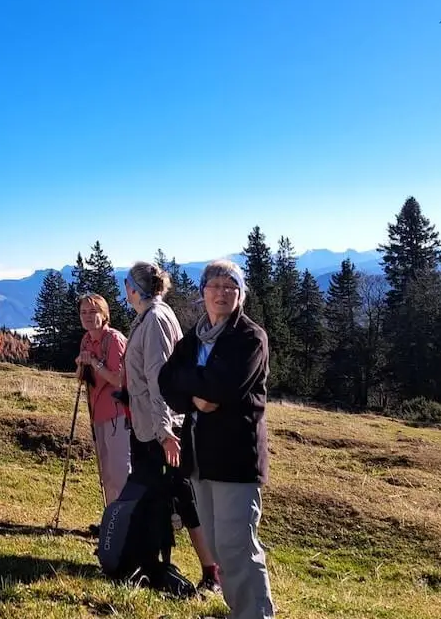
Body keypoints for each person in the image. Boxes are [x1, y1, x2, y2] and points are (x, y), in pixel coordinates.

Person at [160, 259, 276, 619]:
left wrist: (193, 385)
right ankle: (239, 610)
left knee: (237, 546)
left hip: (235, 459)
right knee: (217, 547)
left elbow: (222, 389)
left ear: (241, 295)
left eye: (230, 287)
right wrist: (196, 395)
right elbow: (166, 381)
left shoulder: (250, 338)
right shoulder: (195, 337)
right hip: (200, 458)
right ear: (203, 292)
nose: (221, 293)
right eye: (214, 286)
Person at [123, 261, 220, 593]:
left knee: (183, 498)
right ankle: (154, 566)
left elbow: (160, 379)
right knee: (160, 497)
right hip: (148, 425)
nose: (125, 290)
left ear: (134, 288)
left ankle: (212, 573)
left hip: (160, 430)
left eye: (127, 284)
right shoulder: (148, 317)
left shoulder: (155, 320)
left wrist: (165, 433)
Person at [74, 293, 130, 513]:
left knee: (120, 471)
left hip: (118, 414)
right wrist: (81, 364)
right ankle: (111, 519)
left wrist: (95, 363)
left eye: (93, 311)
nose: (87, 316)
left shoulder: (114, 340)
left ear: (104, 314)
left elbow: (119, 379)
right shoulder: (86, 340)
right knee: (105, 471)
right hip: (97, 413)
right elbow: (82, 377)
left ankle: (126, 520)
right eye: (83, 312)